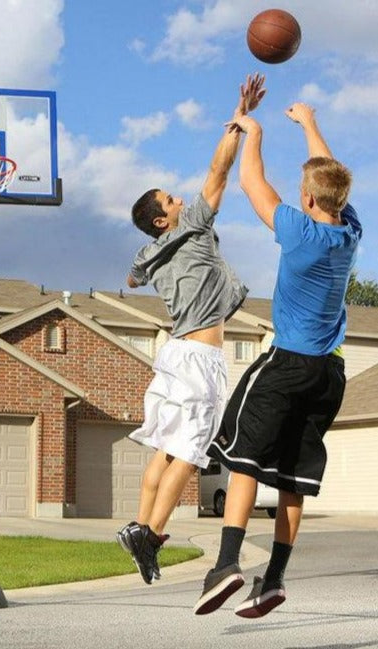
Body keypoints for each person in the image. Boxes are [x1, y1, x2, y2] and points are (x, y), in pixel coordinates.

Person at [193, 103, 362, 617]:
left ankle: (226, 564)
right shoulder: (350, 232)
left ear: (307, 199)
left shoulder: (297, 229)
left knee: (241, 457)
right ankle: (275, 579)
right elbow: (330, 177)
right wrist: (310, 124)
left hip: (287, 363)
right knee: (291, 480)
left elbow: (249, 180)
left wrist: (256, 131)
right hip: (331, 374)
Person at [116, 73, 266, 585]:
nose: (180, 199)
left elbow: (131, 276)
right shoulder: (192, 229)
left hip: (172, 355)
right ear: (163, 220)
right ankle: (151, 534)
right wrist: (238, 119)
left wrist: (138, 270)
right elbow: (218, 171)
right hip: (198, 357)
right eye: (171, 200)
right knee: (189, 449)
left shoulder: (150, 252)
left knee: (164, 447)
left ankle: (138, 525)